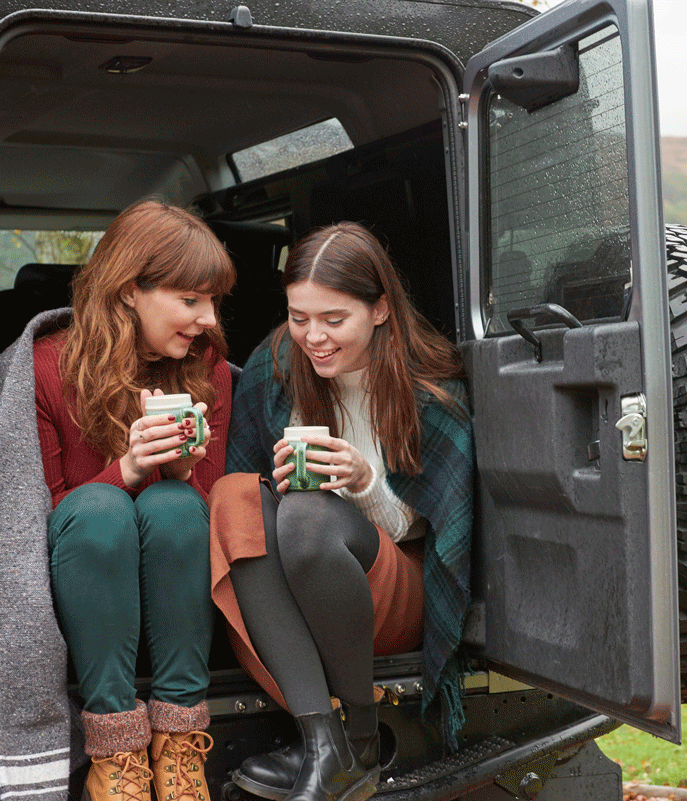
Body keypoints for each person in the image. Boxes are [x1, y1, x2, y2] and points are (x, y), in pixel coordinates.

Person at [209, 222, 474, 801]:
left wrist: (365, 483)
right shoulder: (276, 363)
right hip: (290, 594)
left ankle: (362, 731)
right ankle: (326, 744)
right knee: (233, 494)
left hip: (389, 588)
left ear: (380, 311)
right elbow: (246, 500)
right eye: (299, 317)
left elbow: (439, 529)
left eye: (334, 320)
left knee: (307, 516)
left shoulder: (427, 386)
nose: (314, 337)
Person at [33, 200, 235, 801]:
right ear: (128, 291)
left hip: (180, 600)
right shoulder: (46, 368)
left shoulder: (210, 369)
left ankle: (177, 742)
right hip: (85, 593)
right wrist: (125, 469)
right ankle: (118, 751)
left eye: (214, 301)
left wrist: (180, 472)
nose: (208, 318)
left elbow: (218, 513)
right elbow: (36, 517)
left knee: (174, 505)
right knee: (101, 509)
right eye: (191, 300)